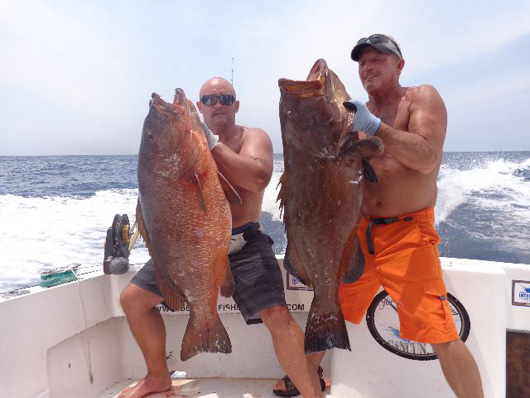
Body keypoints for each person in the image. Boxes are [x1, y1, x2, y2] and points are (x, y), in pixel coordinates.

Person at [274, 34, 484, 398]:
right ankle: (305, 384)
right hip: (354, 234)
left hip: (407, 235)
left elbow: (426, 158)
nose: (368, 67)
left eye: (378, 59)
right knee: (325, 310)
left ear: (398, 65)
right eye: (362, 62)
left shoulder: (421, 98)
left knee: (440, 333)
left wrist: (377, 128)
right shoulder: (349, 114)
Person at [119, 77, 324, 398]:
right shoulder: (183, 151)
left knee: (277, 314)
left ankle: (313, 394)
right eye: (210, 99)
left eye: (226, 98)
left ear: (236, 106)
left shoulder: (252, 137)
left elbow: (257, 179)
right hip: (189, 247)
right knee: (132, 300)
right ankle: (157, 377)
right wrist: (197, 142)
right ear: (199, 107)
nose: (218, 104)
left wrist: (210, 143)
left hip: (244, 244)